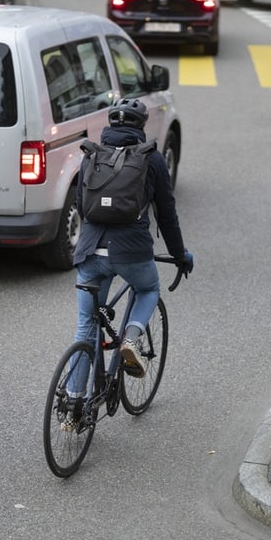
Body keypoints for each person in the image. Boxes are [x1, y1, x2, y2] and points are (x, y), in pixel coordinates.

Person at [64, 98, 193, 425]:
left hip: (91, 252)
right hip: (132, 251)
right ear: (140, 127)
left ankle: (74, 407)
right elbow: (166, 215)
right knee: (148, 289)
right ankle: (132, 339)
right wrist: (179, 255)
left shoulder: (91, 155)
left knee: (86, 327)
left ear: (110, 125)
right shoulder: (151, 160)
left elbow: (82, 205)